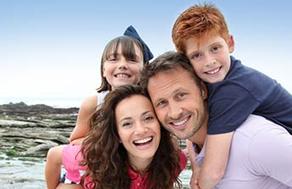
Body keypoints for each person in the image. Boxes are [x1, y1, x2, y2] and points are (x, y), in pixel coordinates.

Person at [171, 3, 292, 189]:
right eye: (196, 55)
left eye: (215, 48)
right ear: (186, 62)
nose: (209, 62)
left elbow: (214, 171)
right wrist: (195, 167)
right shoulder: (217, 83)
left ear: (230, 44)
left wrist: (200, 181)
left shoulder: (233, 89)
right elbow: (193, 131)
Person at [140, 51, 292, 189]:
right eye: (162, 103)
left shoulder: (254, 139)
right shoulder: (198, 147)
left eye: (181, 95)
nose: (174, 113)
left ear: (203, 90)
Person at [45, 25, 153, 189]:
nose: (122, 64)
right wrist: (105, 144)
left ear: (144, 68)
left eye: (131, 59)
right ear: (103, 69)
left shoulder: (148, 102)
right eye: (114, 59)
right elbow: (74, 140)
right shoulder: (94, 103)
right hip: (96, 170)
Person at [80, 85, 187, 189]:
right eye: (127, 124)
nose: (141, 130)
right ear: (116, 135)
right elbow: (62, 153)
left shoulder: (175, 160)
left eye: (148, 118)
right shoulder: (95, 159)